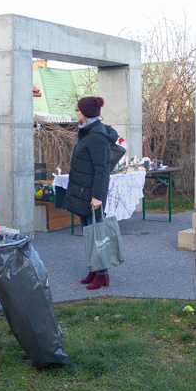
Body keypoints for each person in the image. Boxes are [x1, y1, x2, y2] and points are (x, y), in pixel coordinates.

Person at [64, 96, 118, 290]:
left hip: (92, 194)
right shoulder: (88, 131)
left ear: (86, 113)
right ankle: (94, 270)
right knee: (89, 234)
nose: (76, 113)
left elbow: (102, 169)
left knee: (97, 235)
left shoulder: (96, 136)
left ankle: (103, 275)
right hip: (83, 191)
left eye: (78, 110)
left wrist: (98, 197)